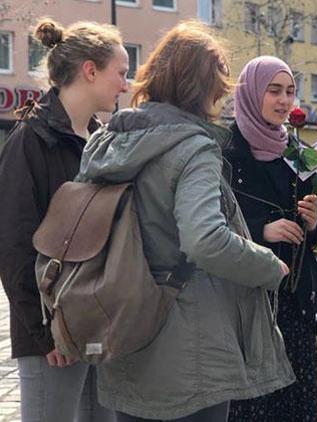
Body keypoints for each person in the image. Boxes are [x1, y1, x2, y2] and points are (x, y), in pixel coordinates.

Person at [76, 22, 294, 421]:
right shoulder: (193, 147)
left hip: (125, 325)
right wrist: (266, 264)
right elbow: (205, 239)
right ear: (206, 86)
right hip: (190, 343)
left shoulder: (110, 141)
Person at [0, 18, 128, 422]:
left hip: (97, 326)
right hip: (50, 339)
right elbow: (13, 246)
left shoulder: (98, 141)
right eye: (121, 73)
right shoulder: (30, 142)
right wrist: (44, 335)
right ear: (90, 71)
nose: (125, 84)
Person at [223, 56, 317, 422]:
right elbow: (209, 221)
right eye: (274, 91)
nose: (284, 101)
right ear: (252, 93)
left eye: (290, 92)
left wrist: (315, 222)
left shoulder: (299, 155)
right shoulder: (226, 152)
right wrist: (259, 231)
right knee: (250, 407)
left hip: (294, 299)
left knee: (296, 405)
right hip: (246, 302)